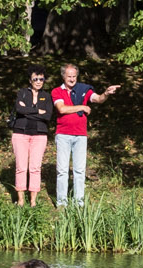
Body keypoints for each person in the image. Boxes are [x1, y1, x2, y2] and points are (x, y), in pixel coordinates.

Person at [51, 63, 121, 209]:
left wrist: (106, 93)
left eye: (74, 76)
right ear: (63, 76)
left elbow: (97, 99)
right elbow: (62, 109)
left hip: (80, 135)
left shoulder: (84, 89)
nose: (72, 79)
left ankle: (79, 203)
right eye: (69, 76)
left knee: (79, 170)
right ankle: (62, 203)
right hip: (63, 134)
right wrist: (82, 107)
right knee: (62, 170)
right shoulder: (57, 91)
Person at [8, 67, 54, 206]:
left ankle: (33, 201)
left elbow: (47, 115)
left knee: (35, 167)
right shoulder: (22, 93)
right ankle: (21, 199)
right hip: (20, 133)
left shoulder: (47, 96)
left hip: (39, 135)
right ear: (30, 80)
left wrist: (28, 110)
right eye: (35, 79)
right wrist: (37, 111)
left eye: (41, 79)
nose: (39, 81)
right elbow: (19, 109)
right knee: (21, 167)